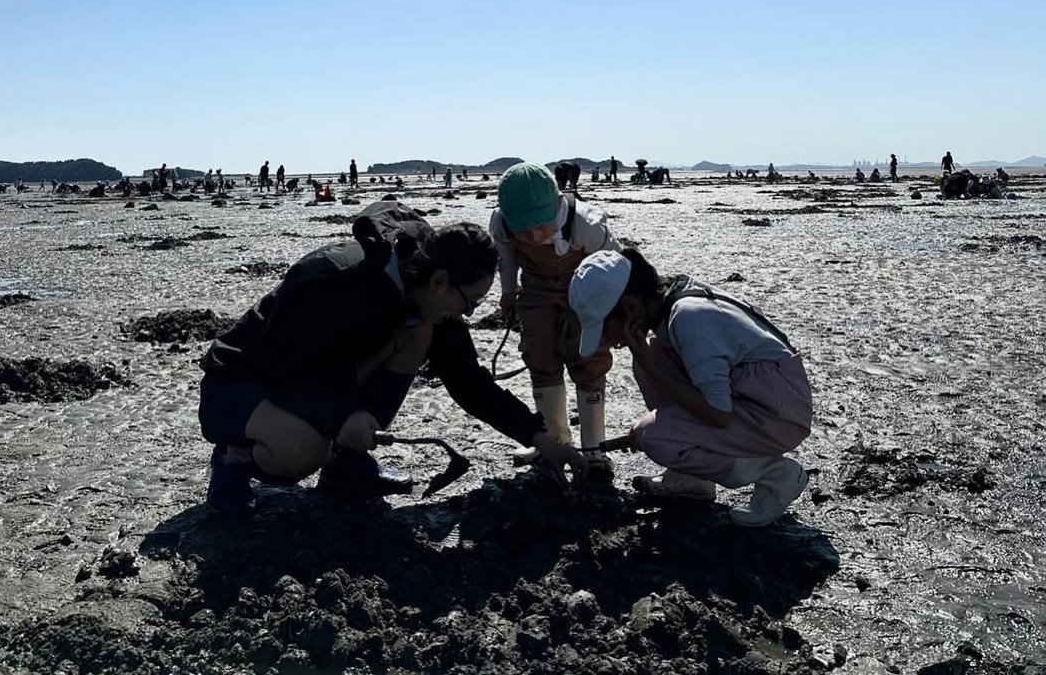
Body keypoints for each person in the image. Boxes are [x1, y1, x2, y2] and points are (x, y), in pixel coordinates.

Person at [198, 201, 586, 517]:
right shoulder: (334, 279)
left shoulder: (427, 295)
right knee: (301, 451)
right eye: (469, 303)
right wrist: (341, 416)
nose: (467, 315)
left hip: (316, 380)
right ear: (439, 282)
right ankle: (233, 461)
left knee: (418, 332)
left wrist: (538, 437)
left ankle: (347, 467)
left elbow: (469, 381)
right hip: (241, 384)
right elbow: (282, 367)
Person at [569, 249, 812, 526]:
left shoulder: (689, 319)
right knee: (648, 357)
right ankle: (690, 478)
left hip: (776, 416)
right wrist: (649, 363)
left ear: (630, 307)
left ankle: (774, 474)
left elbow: (717, 414)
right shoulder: (672, 299)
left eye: (603, 329)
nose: (607, 341)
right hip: (758, 396)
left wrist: (648, 428)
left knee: (655, 435)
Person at [490, 163, 621, 479]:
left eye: (539, 225)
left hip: (586, 292)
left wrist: (612, 313)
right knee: (540, 356)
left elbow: (616, 269)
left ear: (559, 202)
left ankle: (594, 449)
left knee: (589, 359)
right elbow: (506, 256)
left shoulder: (587, 225)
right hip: (536, 291)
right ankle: (554, 441)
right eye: (523, 230)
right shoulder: (502, 224)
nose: (533, 237)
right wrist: (508, 293)